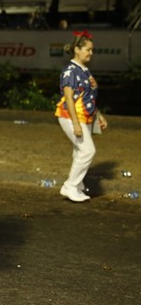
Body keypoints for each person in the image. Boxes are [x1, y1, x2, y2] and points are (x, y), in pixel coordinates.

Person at [55, 30, 107, 202]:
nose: (91, 53)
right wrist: (76, 124)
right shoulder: (70, 70)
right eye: (88, 49)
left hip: (83, 116)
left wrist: (98, 115)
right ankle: (70, 186)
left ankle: (77, 185)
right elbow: (69, 98)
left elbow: (88, 96)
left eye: (92, 50)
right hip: (70, 116)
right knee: (87, 150)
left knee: (80, 150)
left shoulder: (84, 70)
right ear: (77, 49)